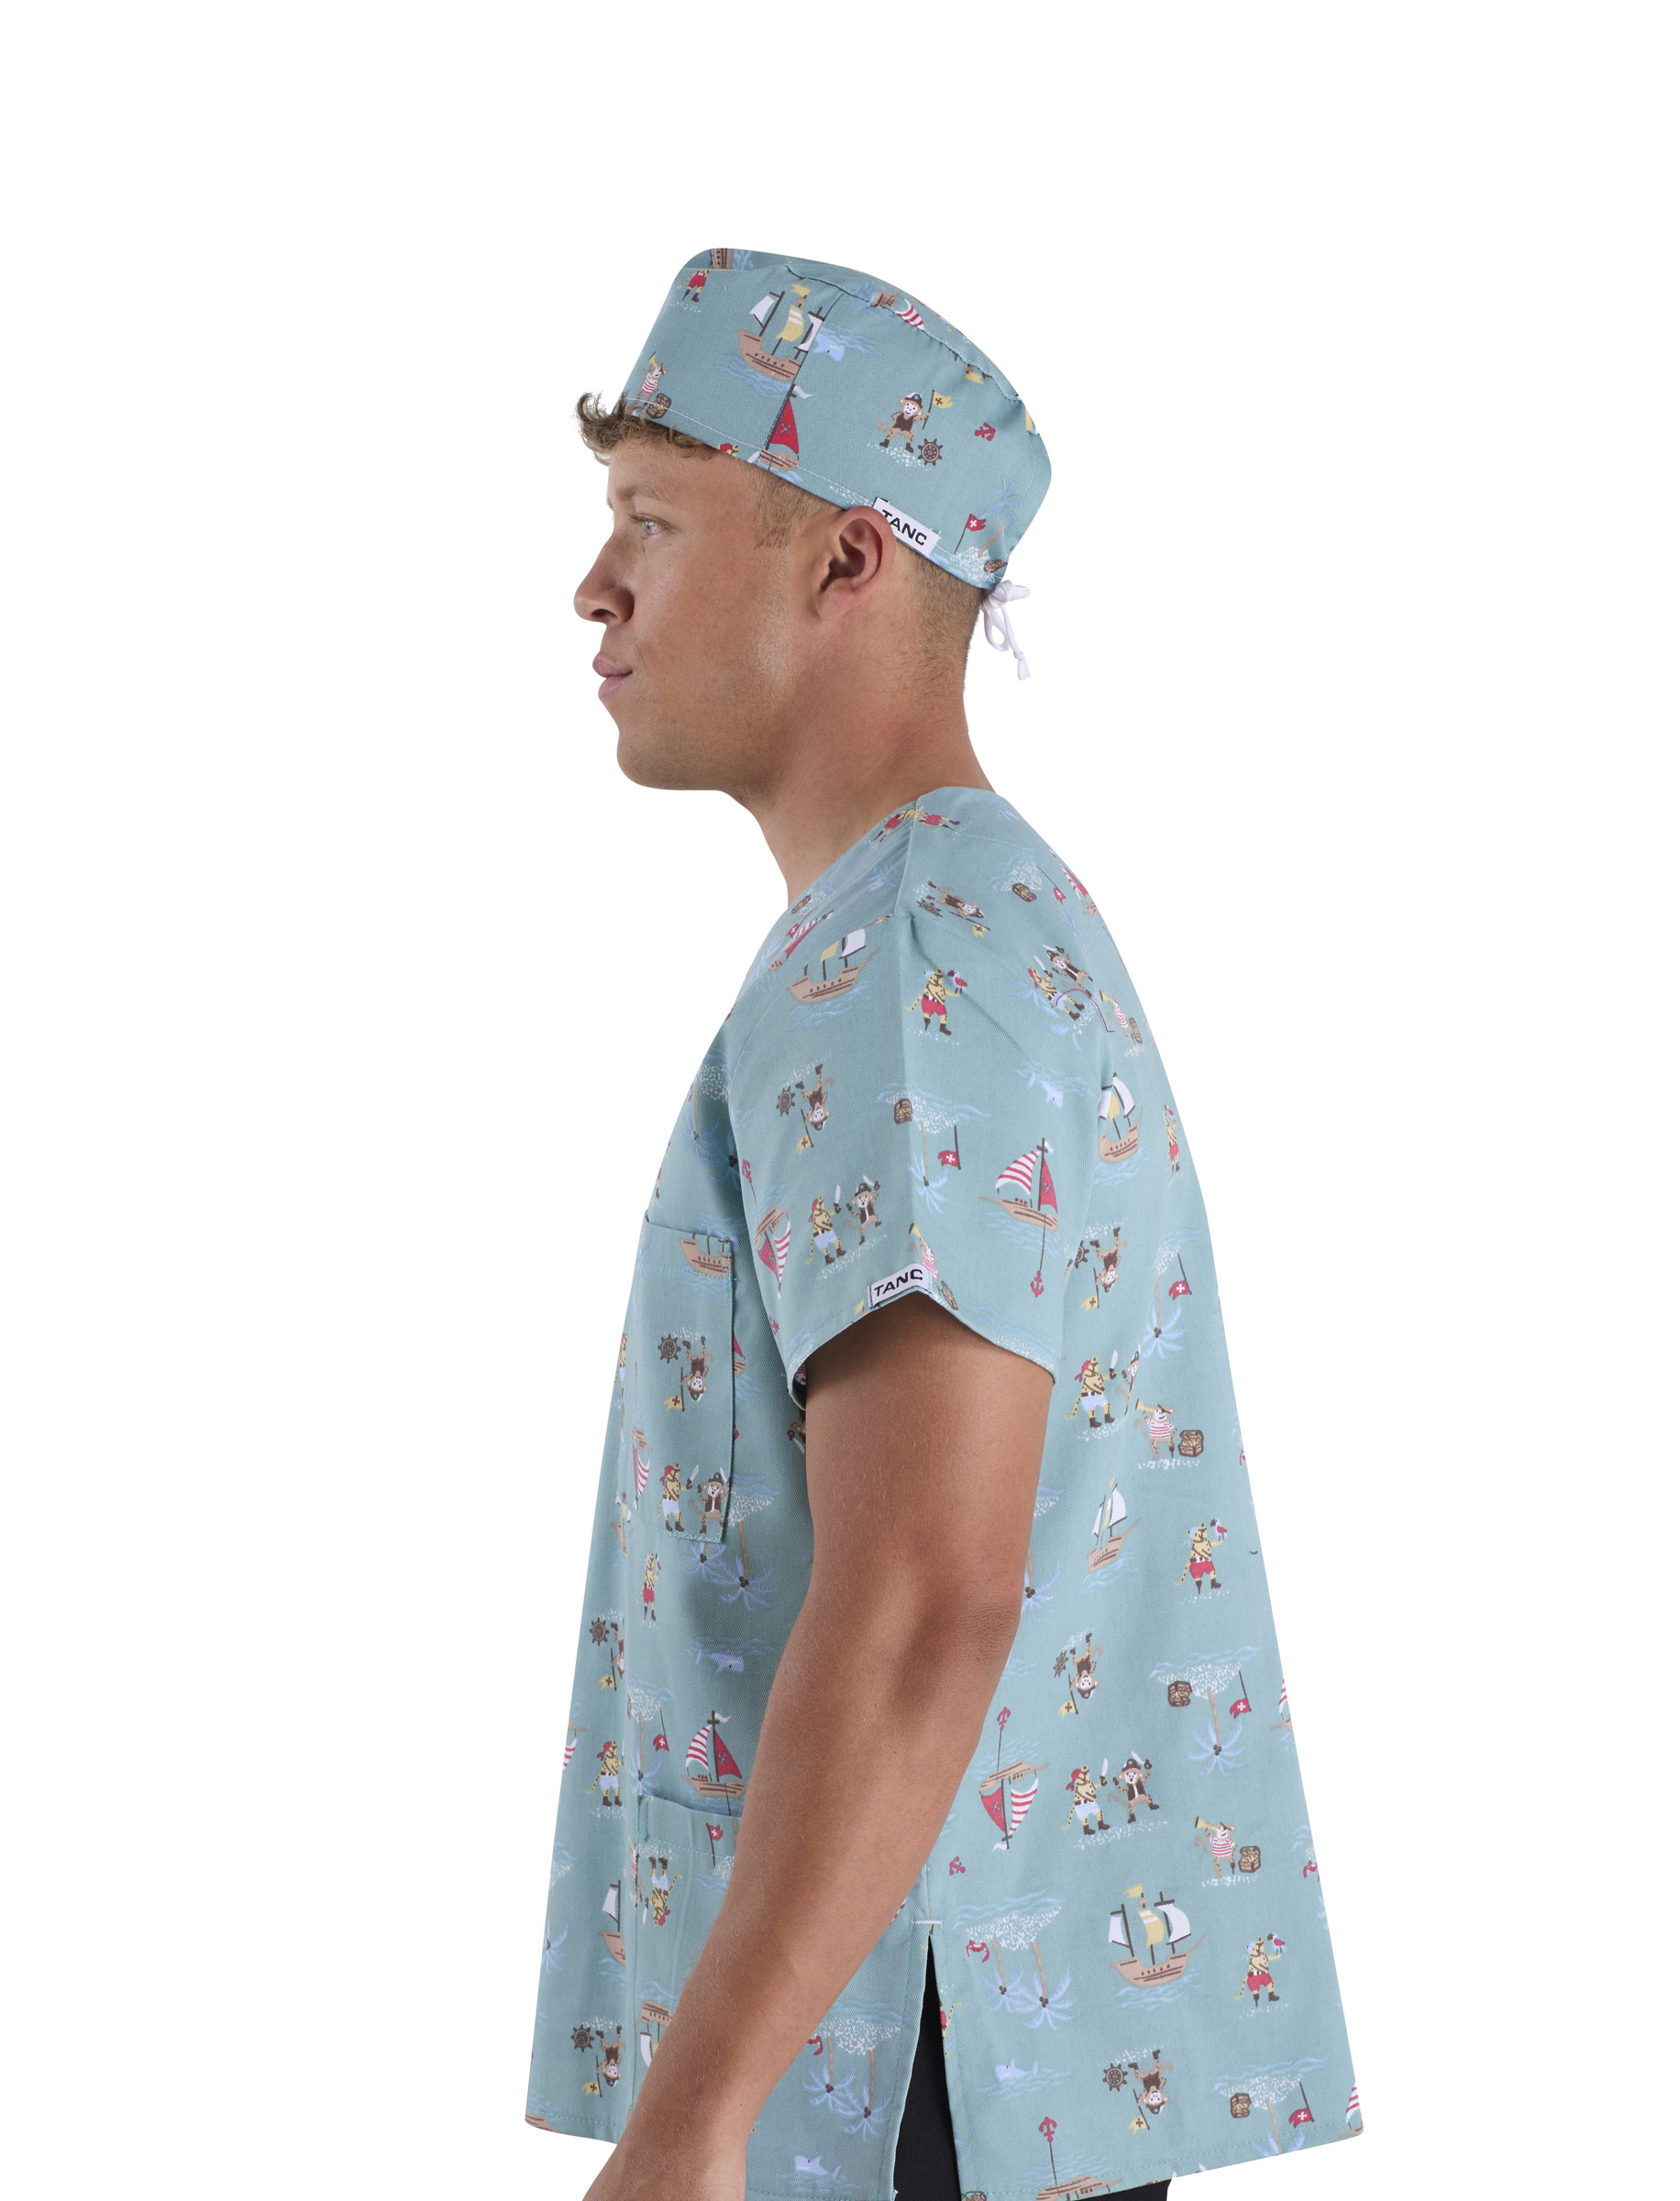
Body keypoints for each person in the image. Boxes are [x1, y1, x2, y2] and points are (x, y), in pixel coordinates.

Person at [523, 250, 1359, 2201]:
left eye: (652, 521)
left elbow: (924, 1598)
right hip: (957, 2074)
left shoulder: (910, 958)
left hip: (899, 2090)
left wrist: (692, 2121)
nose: (593, 586)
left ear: (846, 563)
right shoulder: (954, 925)